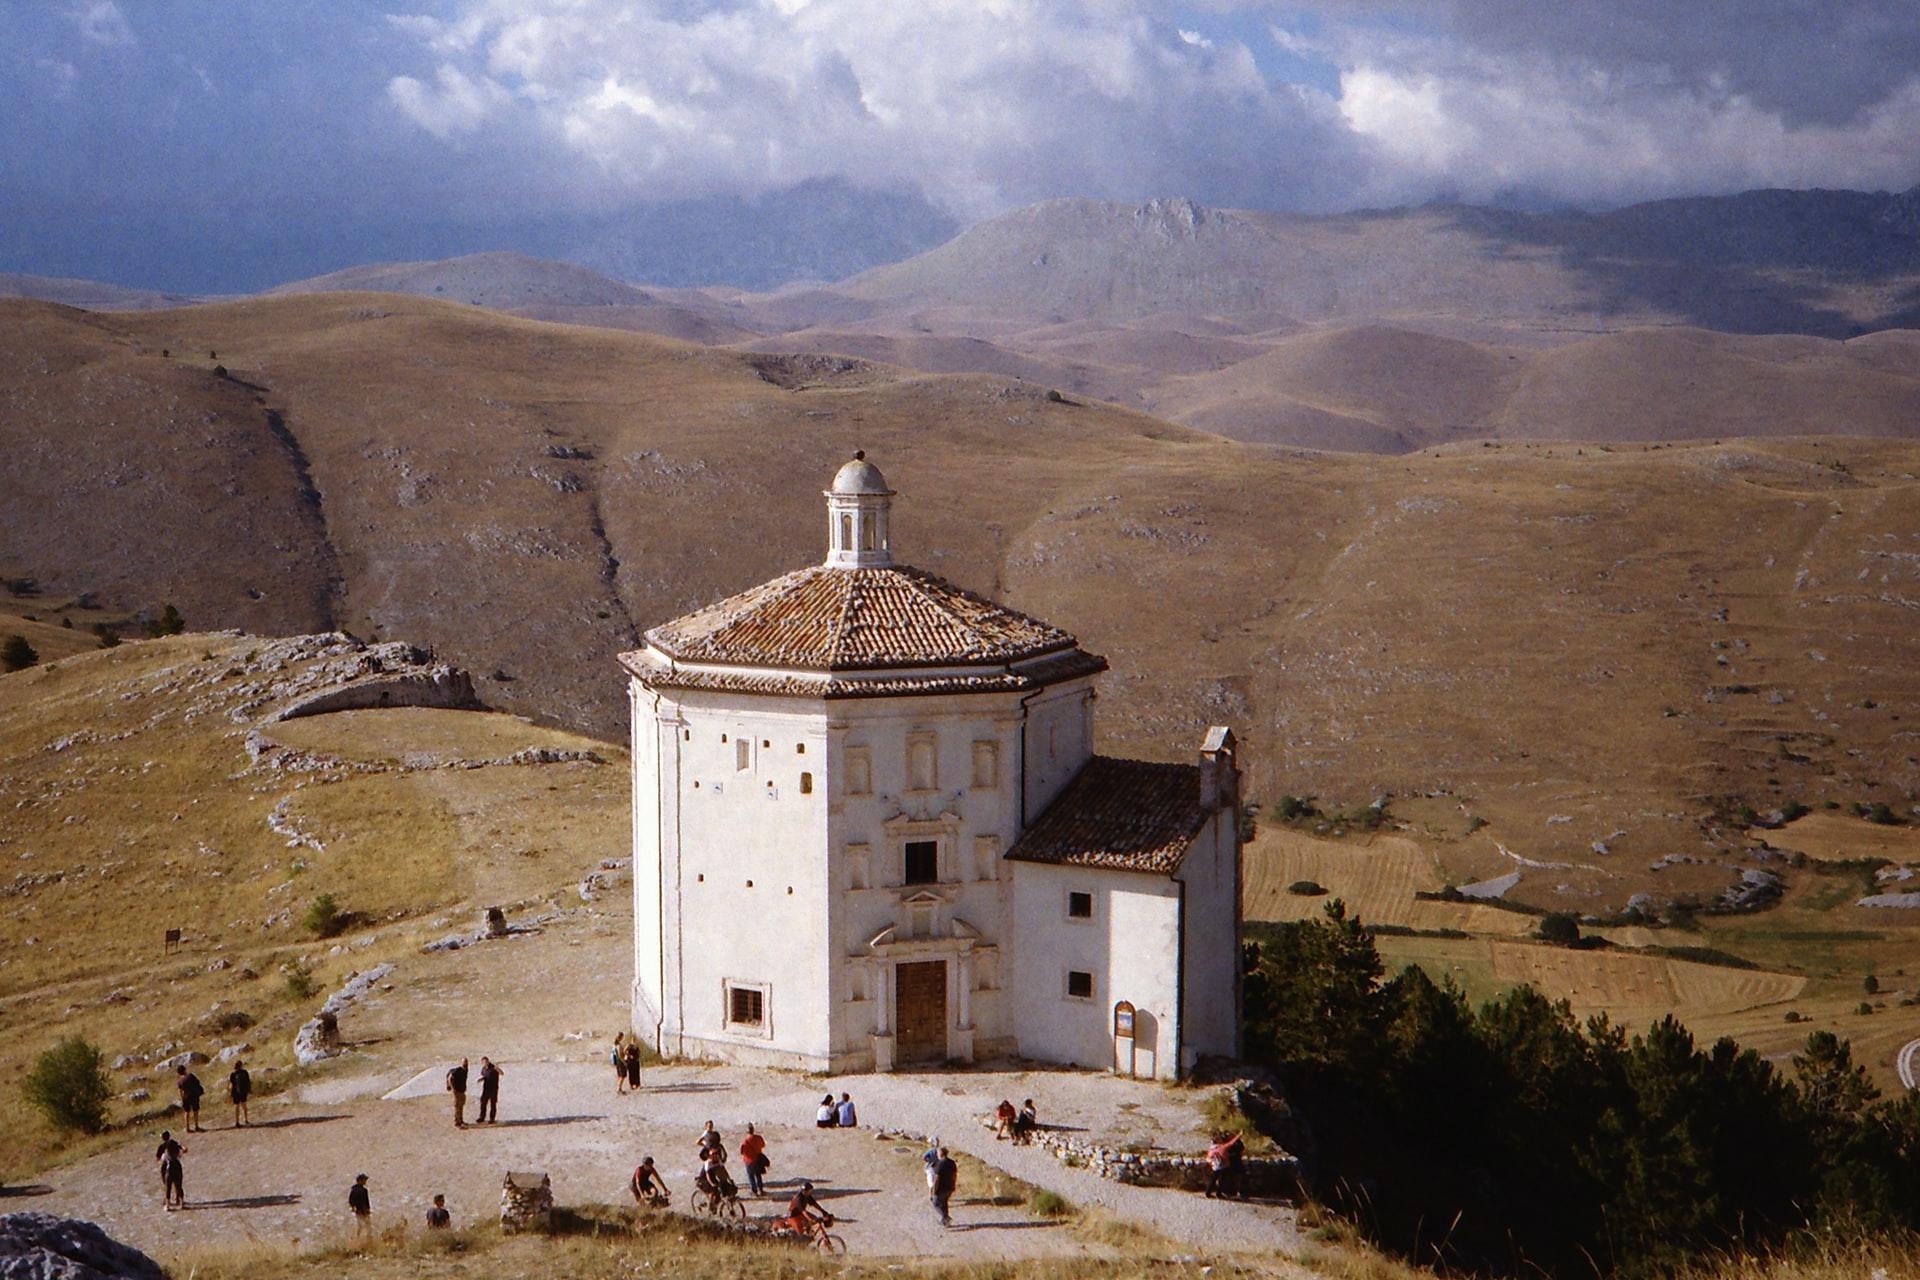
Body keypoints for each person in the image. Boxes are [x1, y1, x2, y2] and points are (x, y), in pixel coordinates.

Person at [155, 1130, 186, 1210]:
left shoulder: (162, 1146)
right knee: (179, 1185)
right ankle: (182, 1202)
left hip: (169, 1166)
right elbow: (182, 1148)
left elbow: (157, 1158)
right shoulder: (174, 1142)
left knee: (168, 1185)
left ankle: (168, 1204)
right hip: (177, 1165)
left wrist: (162, 1157)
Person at [931, 1146, 957, 1227]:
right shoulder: (952, 1162)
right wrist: (953, 1185)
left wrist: (934, 1190)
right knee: (944, 1202)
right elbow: (954, 1175)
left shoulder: (939, 1164)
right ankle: (945, 1222)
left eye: (937, 1153)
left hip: (941, 1188)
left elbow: (937, 1179)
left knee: (936, 1203)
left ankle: (945, 1217)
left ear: (940, 1154)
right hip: (950, 1186)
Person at [739, 1123, 768, 1197]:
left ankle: (754, 1191)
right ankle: (760, 1190)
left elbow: (742, 1152)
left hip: (749, 1161)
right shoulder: (758, 1138)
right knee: (758, 1175)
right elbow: (763, 1145)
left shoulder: (745, 1142)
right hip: (757, 1159)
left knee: (751, 1176)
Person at [175, 1065, 205, 1133]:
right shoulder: (190, 1076)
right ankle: (196, 1126)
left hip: (185, 1097)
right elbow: (197, 1082)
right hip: (194, 1095)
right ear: (184, 1070)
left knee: (187, 1112)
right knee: (195, 1111)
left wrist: (182, 1099)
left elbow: (180, 1091)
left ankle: (187, 1127)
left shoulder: (179, 1081)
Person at [476, 1056, 503, 1124]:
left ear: (488, 1061)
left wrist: (497, 1068)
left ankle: (492, 1118)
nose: (485, 1063)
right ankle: (482, 1117)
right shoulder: (484, 1068)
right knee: (483, 1103)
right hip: (486, 1089)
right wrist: (481, 1079)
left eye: (486, 1061)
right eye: (484, 1062)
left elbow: (501, 1073)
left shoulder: (493, 1067)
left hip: (493, 1089)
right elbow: (485, 1076)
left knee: (493, 1104)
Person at [445, 1058, 469, 1129]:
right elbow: (450, 1077)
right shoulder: (458, 1070)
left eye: (466, 1062)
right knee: (457, 1107)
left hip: (462, 1091)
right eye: (464, 1062)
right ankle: (457, 1123)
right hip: (457, 1091)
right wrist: (453, 1089)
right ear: (461, 1063)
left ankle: (461, 1120)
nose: (466, 1063)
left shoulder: (466, 1070)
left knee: (461, 1105)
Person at [228, 1059, 252, 1128]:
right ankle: (246, 1119)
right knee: (244, 1106)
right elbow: (248, 1082)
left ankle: (237, 1121)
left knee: (236, 1107)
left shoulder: (233, 1074)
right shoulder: (245, 1072)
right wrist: (249, 1090)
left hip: (235, 1092)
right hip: (243, 1092)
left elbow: (231, 1084)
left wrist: (230, 1092)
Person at [348, 1173, 372, 1240]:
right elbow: (366, 1202)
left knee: (360, 1225)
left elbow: (350, 1200)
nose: (365, 1181)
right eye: (364, 1180)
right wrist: (367, 1209)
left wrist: (353, 1207)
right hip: (362, 1211)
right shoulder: (363, 1191)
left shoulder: (354, 1190)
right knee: (367, 1225)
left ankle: (358, 1237)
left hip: (358, 1211)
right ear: (360, 1181)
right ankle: (365, 1237)